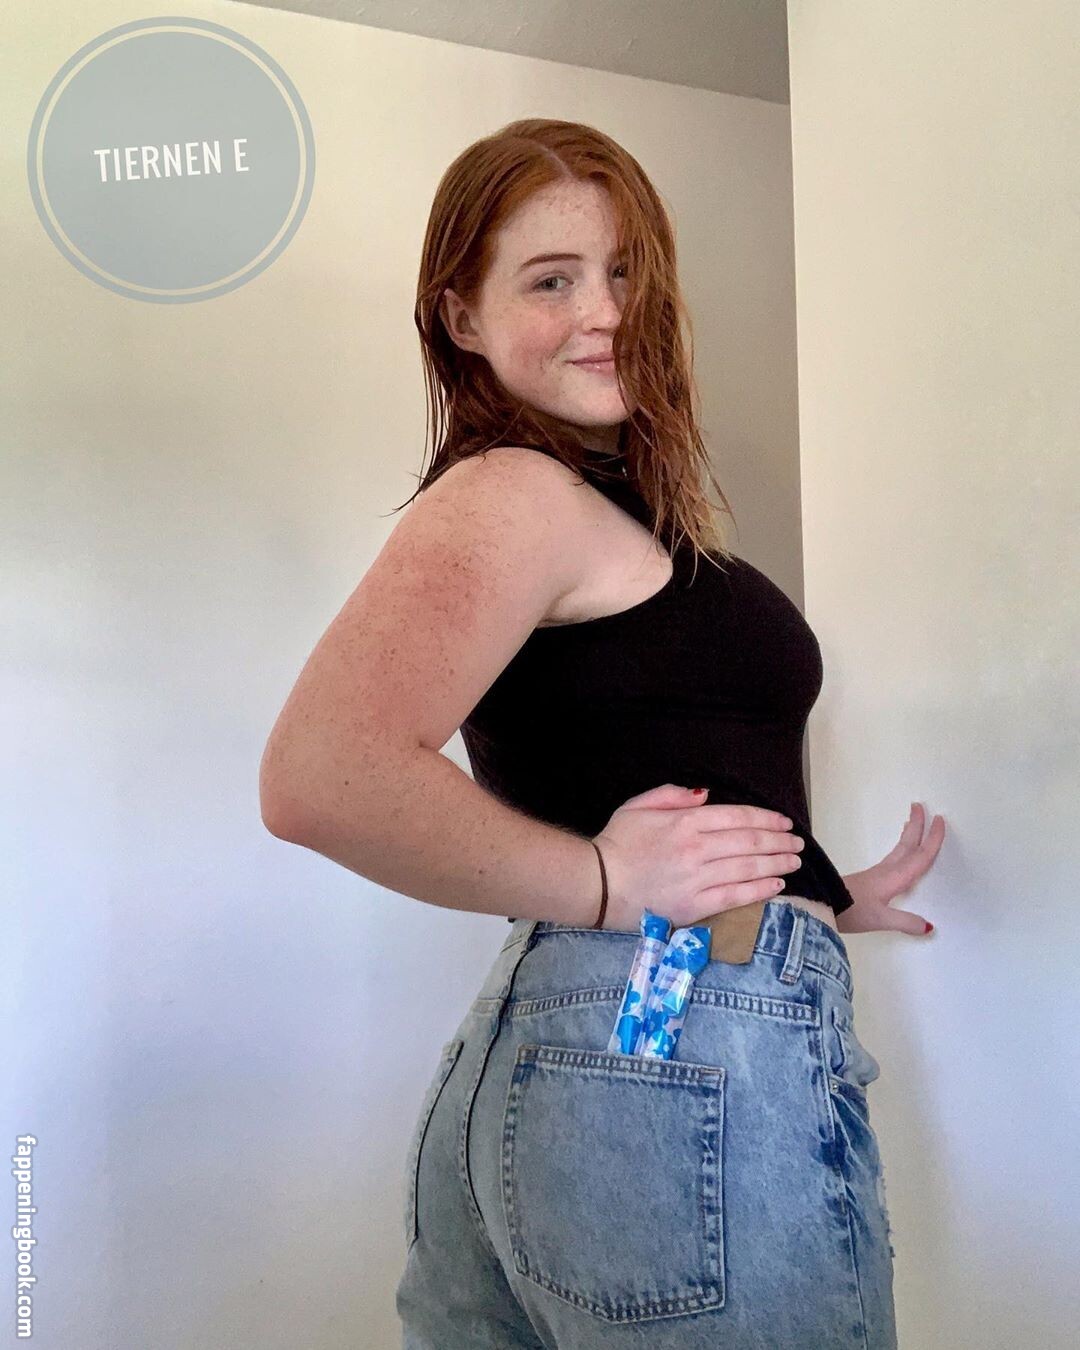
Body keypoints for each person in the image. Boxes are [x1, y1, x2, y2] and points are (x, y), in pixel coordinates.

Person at [259, 119, 946, 1349]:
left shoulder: (600, 510)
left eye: (625, 271)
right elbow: (321, 775)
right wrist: (604, 880)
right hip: (667, 1049)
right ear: (461, 317)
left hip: (599, 1048)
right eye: (551, 279)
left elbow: (624, 751)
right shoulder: (519, 493)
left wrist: (816, 893)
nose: (605, 312)